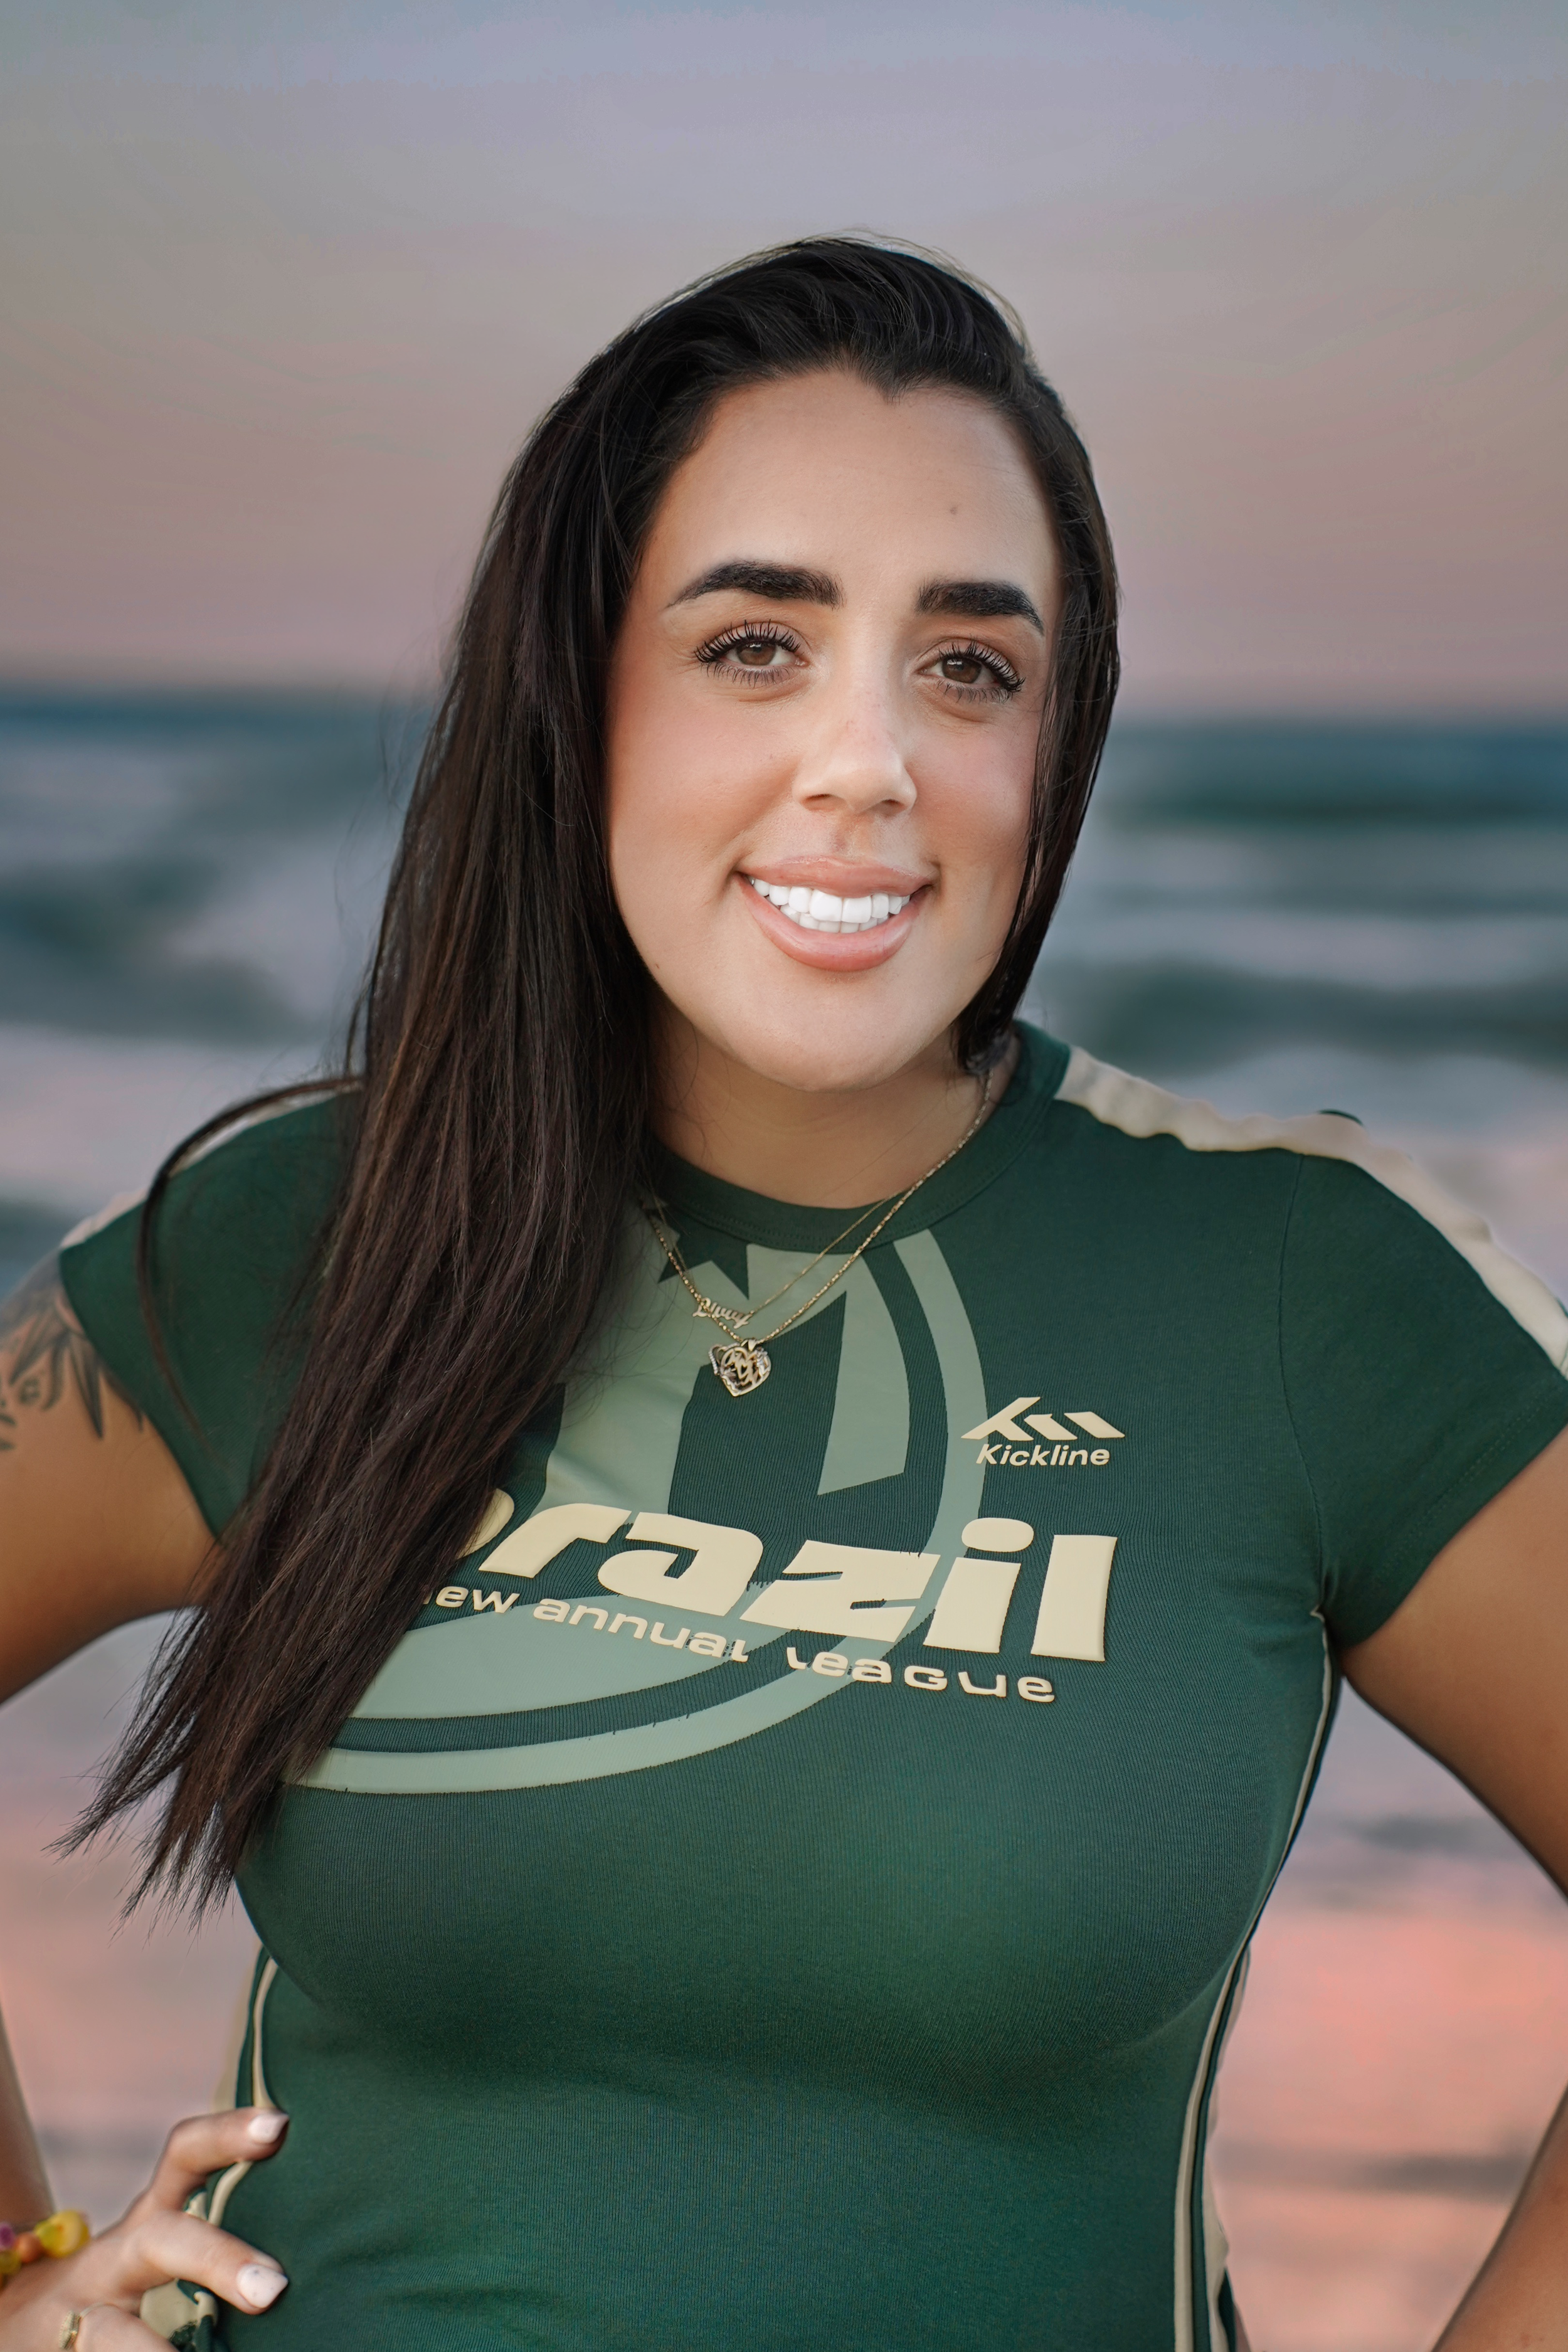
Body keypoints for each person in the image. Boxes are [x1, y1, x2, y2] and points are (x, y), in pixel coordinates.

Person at [1, 238, 1565, 2352]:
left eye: (969, 668)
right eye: (754, 644)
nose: (868, 761)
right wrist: (20, 2276)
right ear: (580, 692)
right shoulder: (298, 1239)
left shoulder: (1298, 1287)